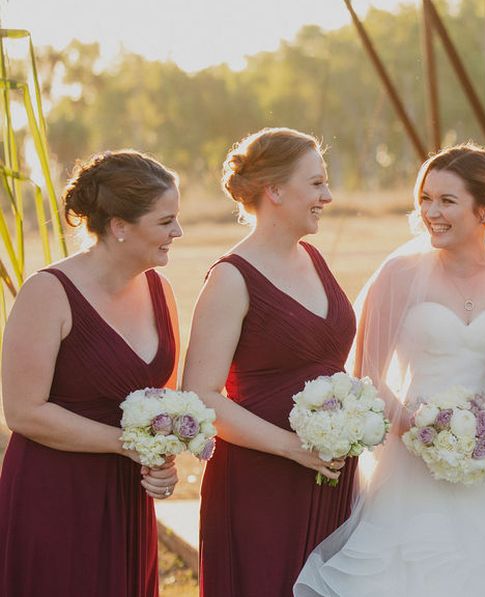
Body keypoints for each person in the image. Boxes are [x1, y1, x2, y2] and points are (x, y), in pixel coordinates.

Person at [295, 143, 485, 597]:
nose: (431, 212)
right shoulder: (399, 274)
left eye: (447, 201)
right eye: (426, 199)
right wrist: (418, 425)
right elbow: (368, 374)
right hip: (411, 455)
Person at [0, 150, 181, 596]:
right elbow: (23, 412)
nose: (177, 232)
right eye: (165, 221)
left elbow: (167, 403)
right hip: (55, 494)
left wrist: (163, 458)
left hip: (127, 497)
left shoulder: (161, 290)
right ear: (120, 226)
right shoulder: (47, 292)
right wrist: (129, 446)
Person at [184, 128, 357, 596]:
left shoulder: (315, 259)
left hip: (331, 476)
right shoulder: (230, 278)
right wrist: (293, 448)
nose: (328, 195)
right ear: (275, 190)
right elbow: (199, 396)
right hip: (261, 483)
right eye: (316, 183)